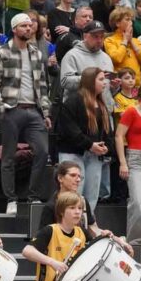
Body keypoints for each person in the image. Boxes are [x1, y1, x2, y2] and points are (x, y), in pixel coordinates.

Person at [0, 13, 52, 216]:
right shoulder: (1, 53)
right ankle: (11, 198)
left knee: (42, 151)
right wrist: (1, 108)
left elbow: (43, 86)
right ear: (14, 29)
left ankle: (32, 196)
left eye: (30, 26)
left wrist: (46, 112)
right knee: (8, 156)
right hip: (11, 109)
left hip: (33, 109)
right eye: (24, 26)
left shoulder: (37, 54)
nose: (28, 29)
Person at [58, 67, 113, 209]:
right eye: (101, 79)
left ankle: (88, 221)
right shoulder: (73, 101)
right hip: (73, 153)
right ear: (90, 81)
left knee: (91, 197)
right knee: (73, 194)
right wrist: (90, 145)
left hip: (94, 155)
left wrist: (106, 147)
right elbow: (70, 130)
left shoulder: (101, 104)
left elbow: (107, 132)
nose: (105, 83)